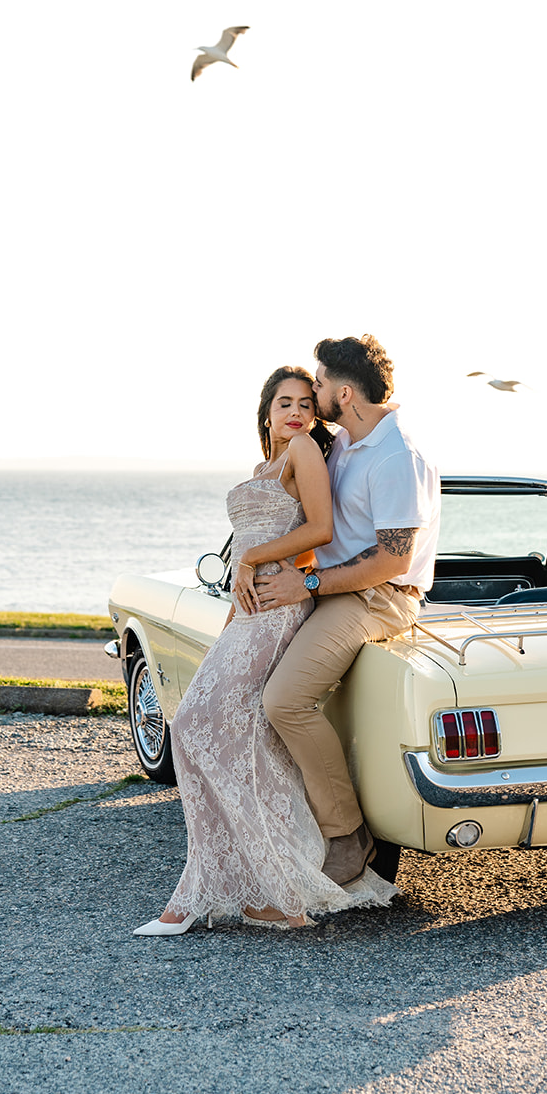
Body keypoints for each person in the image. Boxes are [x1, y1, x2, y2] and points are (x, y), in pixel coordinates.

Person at [133, 365, 397, 935]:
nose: (298, 413)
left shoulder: (304, 451)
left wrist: (251, 563)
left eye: (306, 403)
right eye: (285, 404)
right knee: (236, 734)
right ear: (267, 411)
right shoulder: (265, 467)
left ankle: (218, 888)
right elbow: (257, 545)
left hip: (280, 610)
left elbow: (321, 531)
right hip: (248, 613)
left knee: (194, 725)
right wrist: (236, 591)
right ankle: (260, 883)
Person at [255, 335, 441, 885]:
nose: (310, 393)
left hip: (378, 597)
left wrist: (306, 584)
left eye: (316, 384)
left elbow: (391, 560)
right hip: (333, 587)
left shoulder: (396, 458)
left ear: (343, 392)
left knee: (284, 701)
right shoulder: (342, 442)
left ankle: (347, 835)